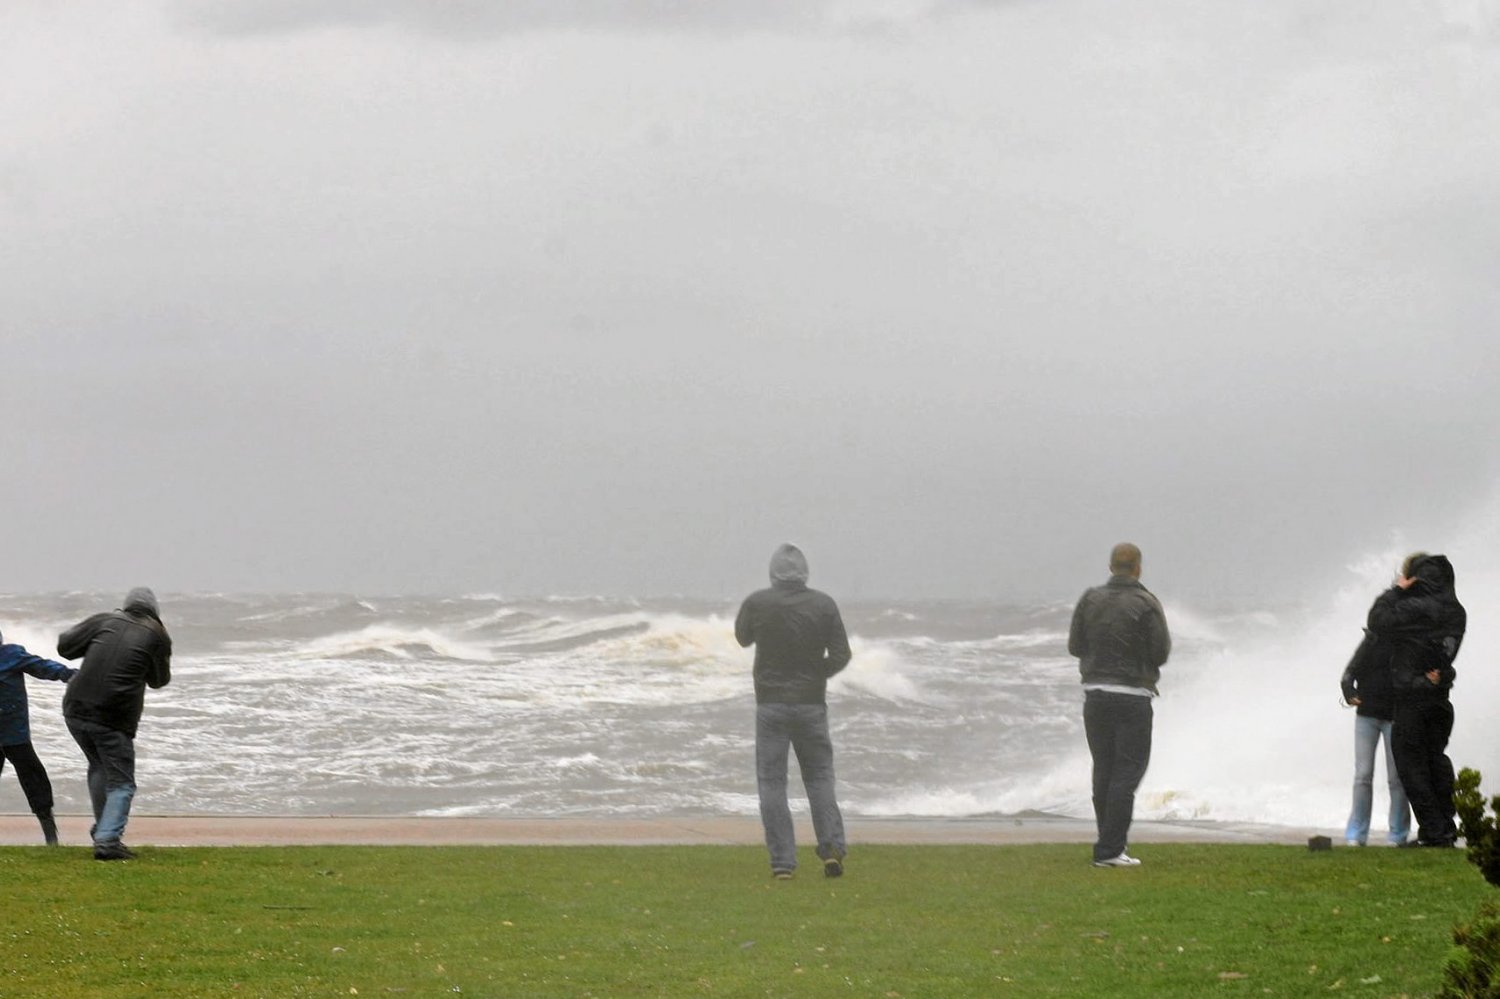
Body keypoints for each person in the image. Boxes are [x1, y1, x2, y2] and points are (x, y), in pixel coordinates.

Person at [735, 543, 852, 879]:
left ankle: (783, 862)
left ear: (773, 573)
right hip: (811, 704)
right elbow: (842, 655)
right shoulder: (824, 604)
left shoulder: (757, 603)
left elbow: (742, 638)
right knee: (819, 778)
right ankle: (831, 849)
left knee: (772, 783)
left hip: (770, 705)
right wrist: (818, 673)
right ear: (804, 573)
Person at [1068, 542, 1171, 868]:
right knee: (1127, 773)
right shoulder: (1146, 602)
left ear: (1111, 566)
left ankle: (1107, 844)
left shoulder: (1090, 599)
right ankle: (1111, 850)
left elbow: (1075, 646)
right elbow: (1160, 654)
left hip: (1096, 694)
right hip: (1132, 696)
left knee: (1105, 769)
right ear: (1138, 567)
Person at [58, 587, 172, 861]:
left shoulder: (104, 620)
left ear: (126, 605)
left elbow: (65, 646)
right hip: (113, 716)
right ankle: (108, 841)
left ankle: (103, 832)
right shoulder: (157, 635)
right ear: (154, 611)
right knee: (122, 782)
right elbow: (159, 680)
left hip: (75, 709)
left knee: (99, 766)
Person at [1366, 553, 1466, 848]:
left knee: (1411, 766)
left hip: (1411, 698)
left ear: (1417, 577)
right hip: (1440, 699)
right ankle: (1446, 825)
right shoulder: (1456, 610)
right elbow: (1443, 652)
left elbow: (1377, 620)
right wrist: (1442, 674)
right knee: (1436, 760)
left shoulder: (1412, 606)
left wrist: (1397, 590)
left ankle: (1434, 831)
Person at [0, 628, 78, 844]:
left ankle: (49, 830)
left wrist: (69, 674)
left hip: (14, 734)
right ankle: (49, 831)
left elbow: (42, 667)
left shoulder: (11, 655)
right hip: (14, 733)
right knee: (34, 777)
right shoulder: (11, 654)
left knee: (34, 778)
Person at [1339, 622, 1411, 847]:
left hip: (1394, 716)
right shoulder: (1371, 641)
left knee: (1397, 778)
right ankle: (1356, 833)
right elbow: (1349, 673)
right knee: (1363, 774)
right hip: (1367, 715)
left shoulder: (1407, 644)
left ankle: (1398, 834)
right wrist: (1350, 693)